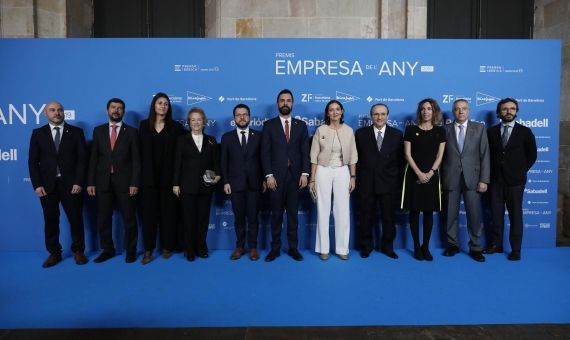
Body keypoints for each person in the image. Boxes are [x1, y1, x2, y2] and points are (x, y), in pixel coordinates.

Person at [28, 101, 88, 268]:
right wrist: (37, 185)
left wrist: (78, 181)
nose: (57, 113)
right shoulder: (38, 134)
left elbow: (83, 160)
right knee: (51, 220)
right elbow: (33, 162)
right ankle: (54, 253)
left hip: (71, 185)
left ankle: (78, 251)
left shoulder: (76, 132)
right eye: (52, 110)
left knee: (76, 219)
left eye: (60, 110)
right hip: (47, 186)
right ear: (45, 113)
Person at [87, 98, 141, 263]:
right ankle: (107, 249)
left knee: (129, 219)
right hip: (102, 181)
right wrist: (90, 182)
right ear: (107, 110)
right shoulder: (98, 131)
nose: (116, 110)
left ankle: (131, 250)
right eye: (113, 107)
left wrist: (134, 182)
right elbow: (93, 159)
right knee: (104, 218)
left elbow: (137, 160)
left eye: (119, 108)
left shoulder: (132, 132)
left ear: (123, 112)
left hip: (125, 182)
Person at [484, 98, 537, 261]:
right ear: (498, 112)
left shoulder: (525, 131)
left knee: (516, 216)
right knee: (496, 215)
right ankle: (496, 245)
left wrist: (519, 171)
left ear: (516, 111)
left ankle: (515, 249)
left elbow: (532, 155)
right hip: (495, 181)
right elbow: (486, 156)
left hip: (516, 182)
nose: (508, 111)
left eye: (512, 109)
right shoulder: (490, 132)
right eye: (505, 109)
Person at [261, 89, 310, 262]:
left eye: (288, 100)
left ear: (293, 104)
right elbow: (264, 153)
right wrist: (268, 175)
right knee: (276, 215)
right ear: (277, 104)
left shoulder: (301, 126)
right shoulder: (269, 125)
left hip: (296, 178)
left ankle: (293, 249)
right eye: (282, 100)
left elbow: (305, 152)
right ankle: (274, 249)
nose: (285, 103)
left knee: (293, 216)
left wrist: (305, 173)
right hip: (275, 177)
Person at [138, 92, 185, 265]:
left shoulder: (175, 127)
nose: (163, 106)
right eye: (160, 103)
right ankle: (148, 249)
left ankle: (167, 247)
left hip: (169, 181)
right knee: (148, 217)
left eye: (166, 104)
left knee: (168, 215)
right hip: (148, 181)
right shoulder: (143, 126)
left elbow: (187, 146)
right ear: (154, 106)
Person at [441, 99, 490, 262]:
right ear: (453, 111)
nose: (460, 112)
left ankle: (475, 247)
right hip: (450, 177)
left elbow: (485, 155)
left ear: (468, 111)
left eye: (464, 109)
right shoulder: (444, 129)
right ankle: (452, 245)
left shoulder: (480, 128)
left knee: (474, 215)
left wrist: (484, 179)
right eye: (457, 109)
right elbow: (440, 157)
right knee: (450, 215)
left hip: (473, 179)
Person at [308, 100, 357, 260]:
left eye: (337, 109)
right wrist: (312, 179)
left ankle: (342, 249)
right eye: (331, 110)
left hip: (343, 171)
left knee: (342, 210)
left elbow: (353, 157)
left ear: (342, 112)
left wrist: (352, 176)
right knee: (323, 209)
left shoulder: (349, 131)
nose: (334, 112)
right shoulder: (320, 130)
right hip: (323, 170)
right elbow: (314, 156)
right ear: (327, 113)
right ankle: (323, 248)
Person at [354, 103, 404, 260]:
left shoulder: (397, 134)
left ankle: (387, 247)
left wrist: (394, 179)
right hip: (366, 183)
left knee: (389, 218)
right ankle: (366, 246)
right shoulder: (360, 134)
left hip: (388, 184)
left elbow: (401, 161)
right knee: (365, 217)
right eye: (376, 114)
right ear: (371, 116)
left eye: (382, 114)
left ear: (387, 116)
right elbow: (356, 160)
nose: (379, 117)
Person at [173, 107, 220, 261]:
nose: (196, 122)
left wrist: (217, 177)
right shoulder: (181, 140)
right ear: (189, 122)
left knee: (203, 220)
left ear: (204, 121)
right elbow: (177, 163)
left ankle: (201, 247)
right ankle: (189, 249)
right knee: (188, 220)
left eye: (199, 119)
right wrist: (175, 184)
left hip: (206, 187)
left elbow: (215, 163)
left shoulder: (212, 140)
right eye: (193, 119)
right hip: (187, 186)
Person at [401, 98, 446, 261]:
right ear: (419, 112)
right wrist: (419, 173)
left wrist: (431, 172)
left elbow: (440, 155)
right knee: (414, 211)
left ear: (434, 111)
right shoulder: (411, 129)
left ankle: (425, 247)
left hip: (432, 176)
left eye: (429, 109)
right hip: (414, 175)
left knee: (428, 212)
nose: (426, 111)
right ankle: (416, 246)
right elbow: (407, 154)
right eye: (423, 109)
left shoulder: (440, 131)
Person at [221, 104, 263, 261]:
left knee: (253, 218)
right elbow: (223, 163)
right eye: (238, 115)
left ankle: (253, 247)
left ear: (249, 117)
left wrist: (265, 178)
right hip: (235, 184)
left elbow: (263, 160)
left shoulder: (258, 136)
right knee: (238, 218)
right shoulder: (226, 137)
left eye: (245, 114)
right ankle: (239, 247)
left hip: (255, 184)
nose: (242, 117)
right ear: (234, 119)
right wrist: (225, 181)